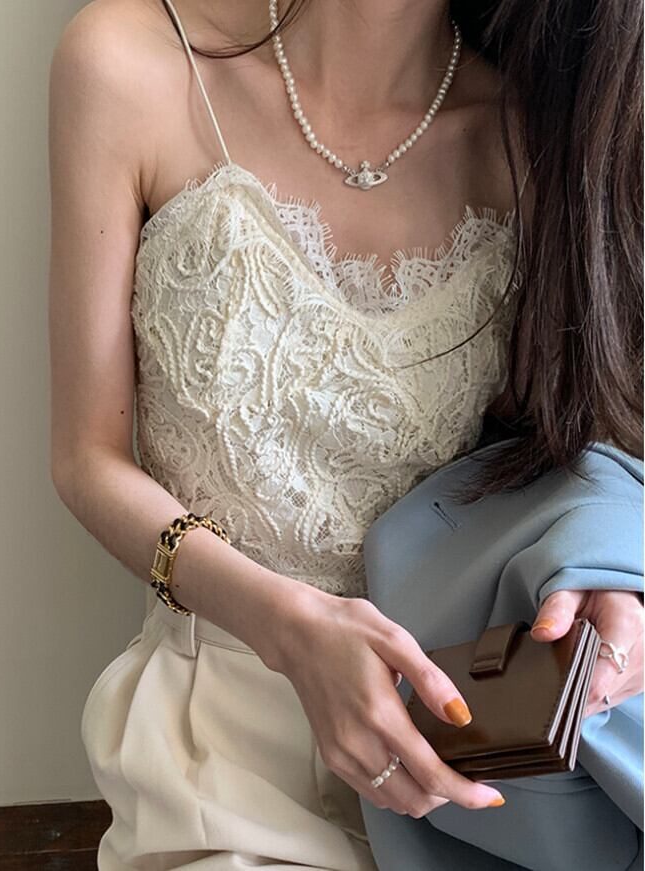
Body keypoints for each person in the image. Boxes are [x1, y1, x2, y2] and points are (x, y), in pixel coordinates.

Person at [47, 0, 643, 867]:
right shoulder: (128, 64)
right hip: (220, 741)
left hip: (461, 749)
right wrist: (287, 625)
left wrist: (614, 590)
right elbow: (86, 459)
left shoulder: (533, 136)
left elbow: (587, 448)